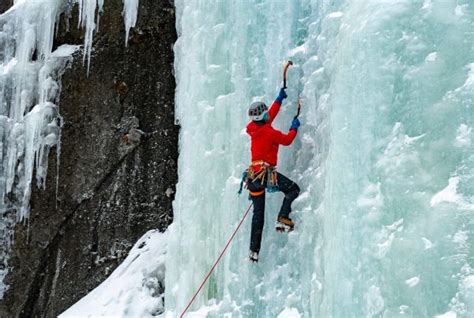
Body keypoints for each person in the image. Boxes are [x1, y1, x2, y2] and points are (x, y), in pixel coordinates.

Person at [246, 87, 300, 263]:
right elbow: (287, 140)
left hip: (253, 177)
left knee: (258, 216)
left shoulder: (255, 128)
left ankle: (254, 251)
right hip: (265, 175)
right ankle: (283, 218)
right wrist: (294, 127)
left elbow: (270, 114)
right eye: (265, 113)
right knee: (293, 190)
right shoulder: (268, 131)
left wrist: (279, 99)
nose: (269, 114)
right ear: (262, 117)